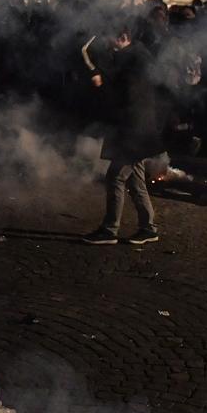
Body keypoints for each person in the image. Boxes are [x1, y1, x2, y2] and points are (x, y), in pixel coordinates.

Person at [81, 20, 161, 245]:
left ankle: (109, 230)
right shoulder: (136, 57)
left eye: (110, 37)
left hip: (134, 130)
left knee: (115, 177)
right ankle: (148, 228)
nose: (107, 42)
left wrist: (100, 79)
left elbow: (123, 93)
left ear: (123, 37)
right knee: (135, 180)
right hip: (136, 129)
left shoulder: (134, 60)